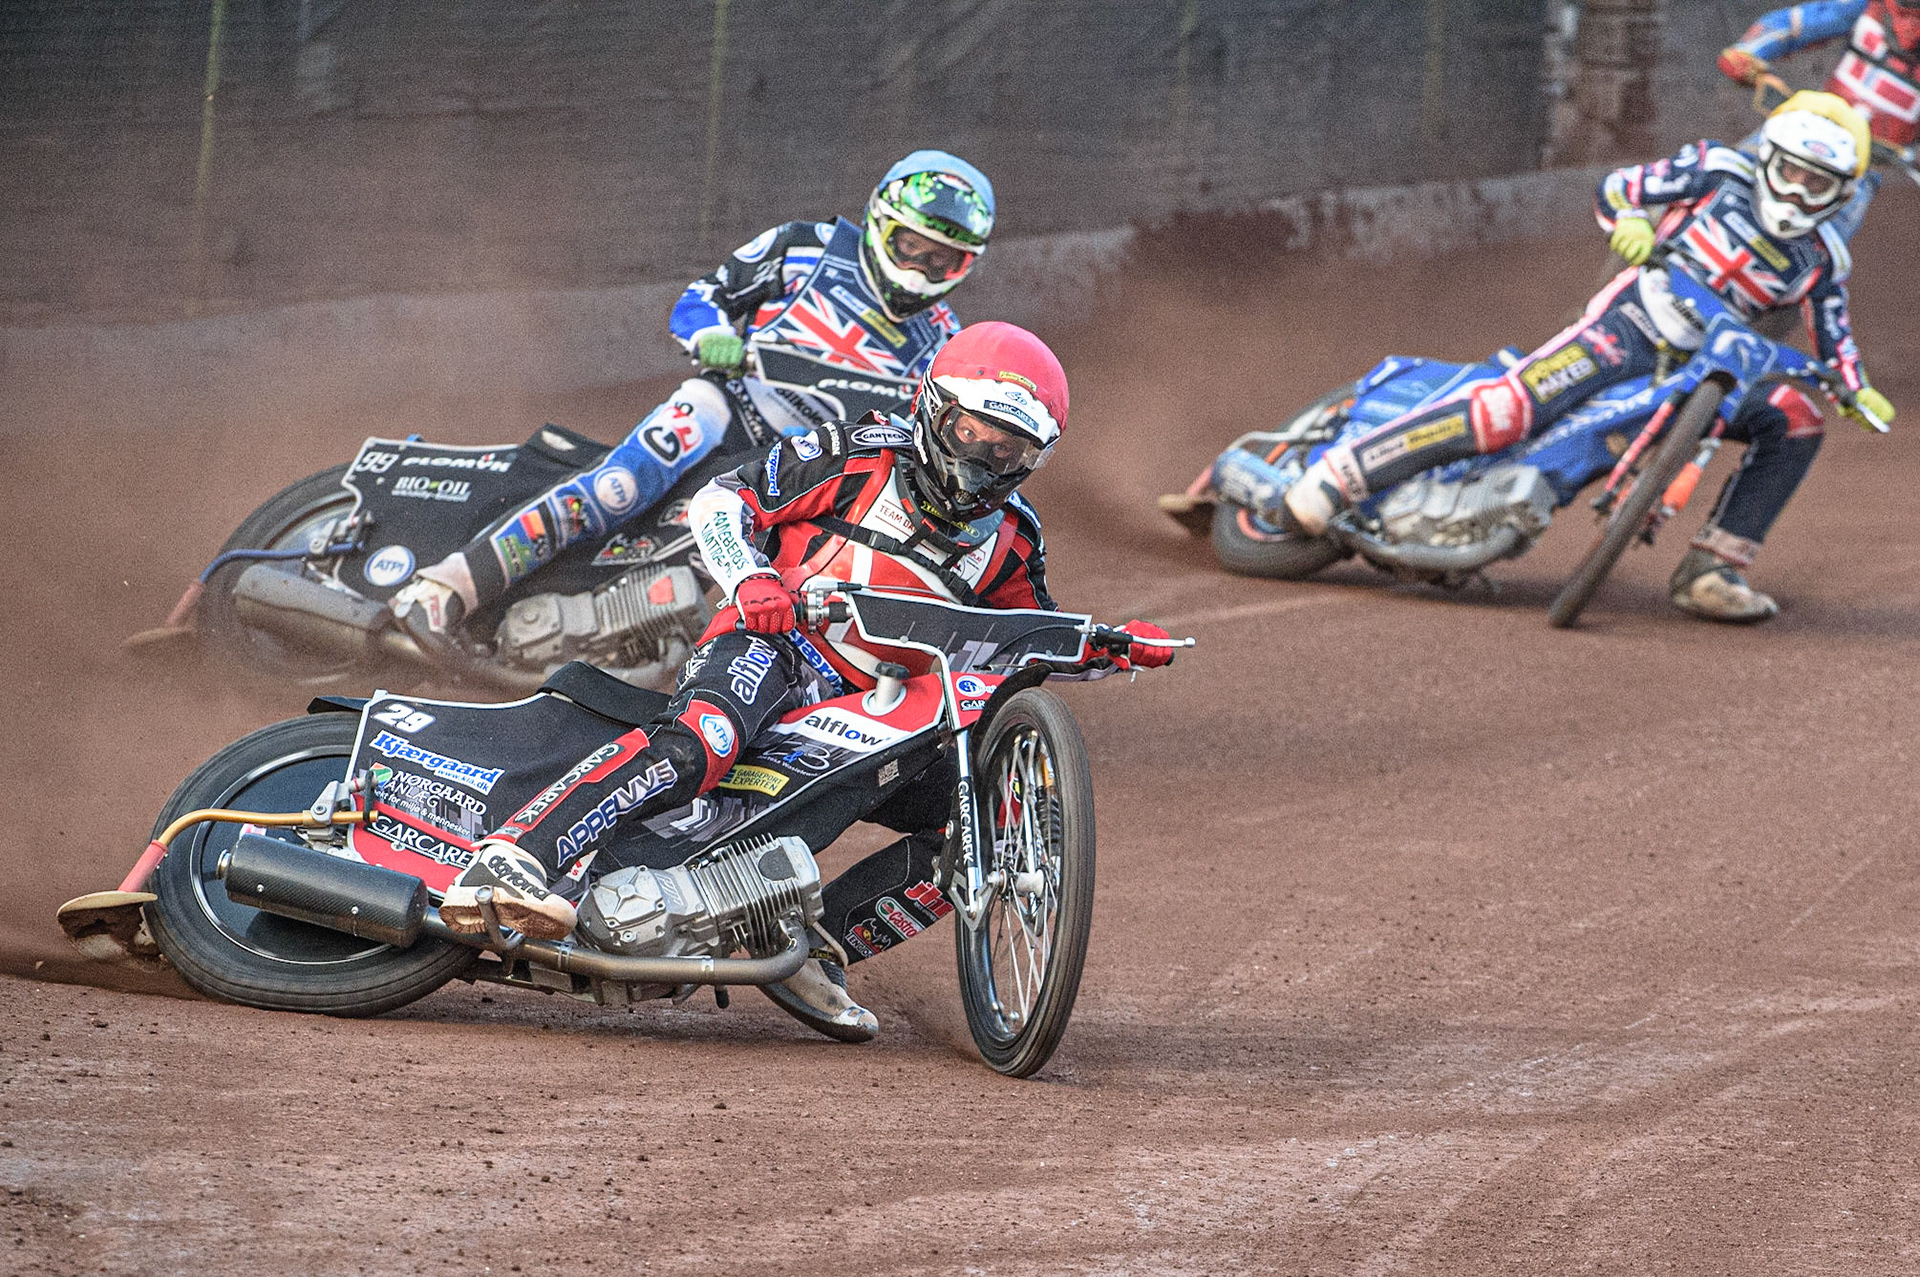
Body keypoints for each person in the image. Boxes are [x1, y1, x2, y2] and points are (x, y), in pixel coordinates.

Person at [431, 322, 1175, 1041]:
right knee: (701, 741)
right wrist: (750, 578)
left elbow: (1027, 639)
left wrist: (1113, 646)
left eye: (1008, 448)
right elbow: (723, 500)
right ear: (933, 407)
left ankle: (818, 948)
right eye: (972, 431)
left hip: (880, 709)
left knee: (978, 819)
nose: (983, 459)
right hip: (777, 646)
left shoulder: (1015, 537)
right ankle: (516, 858)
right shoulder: (854, 452)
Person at [1276, 93, 1896, 623]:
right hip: (1630, 323)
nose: (1797, 193)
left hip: (1711, 363)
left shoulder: (1822, 261)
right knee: (1511, 411)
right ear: (1767, 160)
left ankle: (1714, 570)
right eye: (1789, 172)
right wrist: (1631, 221)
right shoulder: (1715, 171)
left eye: (1817, 184)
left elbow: (1834, 334)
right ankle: (1339, 476)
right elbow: (1620, 187)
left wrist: (1855, 386)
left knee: (1797, 419)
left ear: (1841, 193)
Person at [389, 150, 997, 636]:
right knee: (617, 485)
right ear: (881, 222)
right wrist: (713, 337)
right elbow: (704, 296)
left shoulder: (945, 344)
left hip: (801, 464)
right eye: (911, 246)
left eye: (940, 261)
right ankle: (449, 585)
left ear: (964, 266)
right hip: (728, 404)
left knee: (742, 564)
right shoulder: (806, 247)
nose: (918, 268)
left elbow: (923, 438)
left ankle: (622, 647)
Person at [1717, 1, 1920, 240]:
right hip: (1806, 128)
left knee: (1822, 246)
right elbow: (1796, 23)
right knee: (1718, 176)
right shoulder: (1866, 6)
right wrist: (1748, 54)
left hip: (1862, 167)